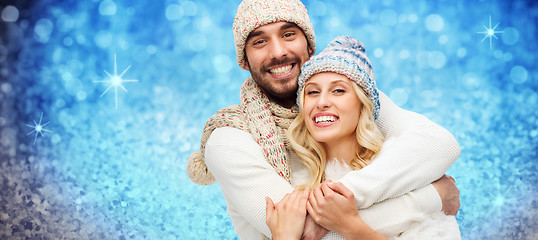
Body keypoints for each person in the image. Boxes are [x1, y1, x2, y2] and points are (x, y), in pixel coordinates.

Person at [186, 0, 461, 239]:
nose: (278, 51)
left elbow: (439, 144)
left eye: (289, 34)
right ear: (244, 60)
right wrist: (433, 197)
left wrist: (340, 200)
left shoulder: (349, 94)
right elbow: (306, 232)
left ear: (309, 45)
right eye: (260, 41)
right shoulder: (229, 138)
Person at [265, 36, 461, 239]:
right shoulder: (291, 185)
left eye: (338, 90)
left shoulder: (404, 173)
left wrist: (352, 226)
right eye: (312, 92)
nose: (322, 102)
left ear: (363, 105)